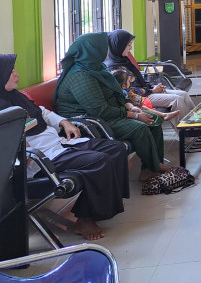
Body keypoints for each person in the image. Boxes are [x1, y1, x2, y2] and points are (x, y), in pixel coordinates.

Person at [1, 54, 129, 241]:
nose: (16, 74)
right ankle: (85, 218)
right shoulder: (3, 109)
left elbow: (42, 112)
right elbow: (11, 145)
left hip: (58, 144)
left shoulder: (17, 96)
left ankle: (110, 200)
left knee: (116, 149)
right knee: (101, 161)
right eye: (11, 71)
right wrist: (19, 145)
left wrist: (64, 122)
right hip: (41, 159)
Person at [55, 33, 170, 182]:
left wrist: (129, 106)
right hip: (90, 121)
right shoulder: (80, 76)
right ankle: (154, 168)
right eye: (104, 47)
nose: (107, 50)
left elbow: (117, 92)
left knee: (153, 119)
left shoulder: (97, 67)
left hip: (108, 113)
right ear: (94, 50)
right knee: (140, 128)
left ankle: (151, 167)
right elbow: (99, 110)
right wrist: (134, 115)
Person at [104, 30, 194, 118]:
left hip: (146, 91)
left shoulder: (124, 61)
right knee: (176, 100)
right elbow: (126, 92)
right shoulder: (114, 68)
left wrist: (152, 87)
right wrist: (152, 91)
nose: (131, 48)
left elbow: (139, 80)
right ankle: (186, 127)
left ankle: (197, 121)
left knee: (183, 94)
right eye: (128, 45)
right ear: (119, 46)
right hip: (139, 98)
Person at [111, 69, 181, 123]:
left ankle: (164, 115)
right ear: (123, 86)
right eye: (129, 81)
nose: (130, 82)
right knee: (145, 110)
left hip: (137, 102)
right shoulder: (121, 92)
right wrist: (151, 91)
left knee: (143, 108)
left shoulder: (122, 91)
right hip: (131, 108)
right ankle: (164, 115)